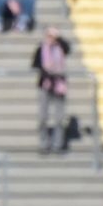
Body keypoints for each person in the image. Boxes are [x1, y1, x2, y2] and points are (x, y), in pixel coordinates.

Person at [30, 26, 70, 154]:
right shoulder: (41, 48)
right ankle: (44, 143)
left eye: (54, 36)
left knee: (59, 118)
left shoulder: (61, 47)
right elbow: (34, 64)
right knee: (43, 117)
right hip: (46, 84)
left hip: (59, 85)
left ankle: (58, 144)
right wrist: (46, 70)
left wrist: (59, 38)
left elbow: (68, 48)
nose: (51, 38)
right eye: (49, 35)